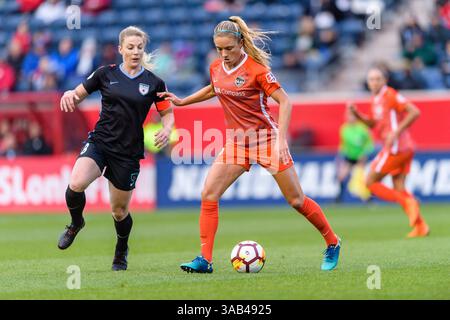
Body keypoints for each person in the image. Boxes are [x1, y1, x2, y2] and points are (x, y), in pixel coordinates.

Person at [158, 16, 341, 273]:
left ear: (240, 43)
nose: (224, 54)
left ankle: (332, 242)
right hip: (236, 143)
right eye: (219, 49)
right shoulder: (216, 67)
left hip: (265, 140)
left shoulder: (257, 70)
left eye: (229, 49)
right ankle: (204, 260)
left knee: (297, 201)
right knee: (209, 194)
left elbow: (285, 102)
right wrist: (182, 101)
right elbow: (214, 88)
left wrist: (280, 140)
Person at [58, 26, 174, 271]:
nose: (135, 52)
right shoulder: (104, 74)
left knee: (119, 212)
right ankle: (76, 223)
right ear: (121, 49)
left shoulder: (154, 82)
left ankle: (121, 250)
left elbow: (167, 114)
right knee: (76, 184)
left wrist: (167, 128)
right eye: (130, 47)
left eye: (139, 48)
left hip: (128, 152)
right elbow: (78, 93)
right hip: (100, 142)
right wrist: (69, 94)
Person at [348, 67, 429, 238]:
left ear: (384, 80)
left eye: (378, 79)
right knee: (399, 187)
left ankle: (409, 201)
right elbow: (372, 124)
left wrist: (396, 132)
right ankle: (421, 226)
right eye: (371, 79)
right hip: (402, 148)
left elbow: (415, 112)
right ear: (368, 83)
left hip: (396, 147)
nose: (374, 82)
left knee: (369, 182)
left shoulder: (390, 94)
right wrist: (357, 114)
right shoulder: (376, 99)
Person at [335, 106, 374, 203]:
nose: (349, 118)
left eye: (351, 116)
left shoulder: (362, 129)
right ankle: (339, 198)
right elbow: (343, 145)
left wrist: (364, 154)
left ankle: (368, 199)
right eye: (348, 116)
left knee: (360, 178)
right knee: (341, 176)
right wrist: (341, 156)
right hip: (349, 157)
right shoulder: (344, 129)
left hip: (360, 158)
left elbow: (370, 144)